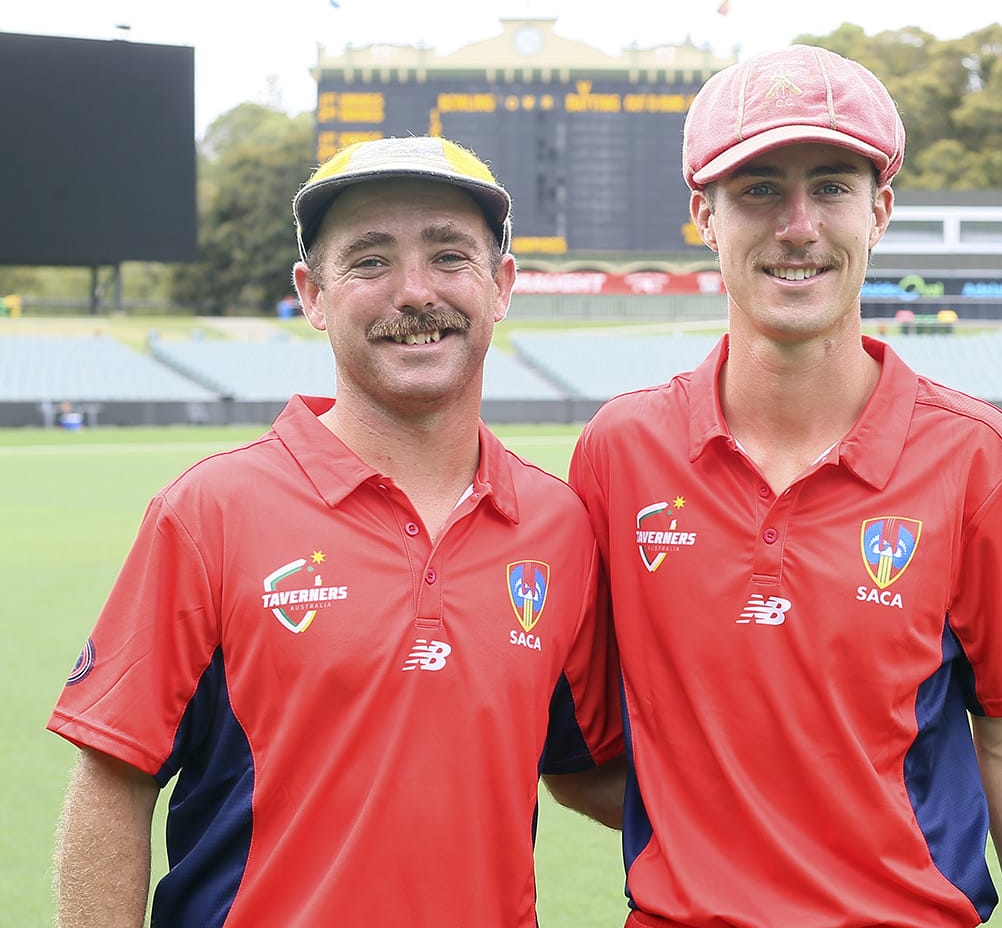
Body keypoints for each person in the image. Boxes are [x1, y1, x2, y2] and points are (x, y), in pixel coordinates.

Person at [568, 44, 1002, 927]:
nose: (797, 225)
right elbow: (574, 748)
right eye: (757, 190)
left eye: (830, 186)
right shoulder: (620, 453)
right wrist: (724, 835)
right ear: (703, 215)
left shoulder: (975, 455)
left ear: (879, 210)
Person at [48, 135, 624, 927]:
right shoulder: (210, 510)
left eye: (451, 256)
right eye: (369, 261)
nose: (415, 292)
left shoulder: (559, 527)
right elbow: (114, 780)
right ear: (312, 295)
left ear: (502, 286)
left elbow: (588, 769)